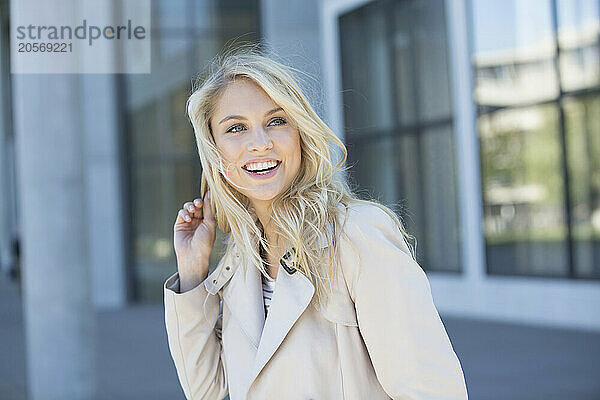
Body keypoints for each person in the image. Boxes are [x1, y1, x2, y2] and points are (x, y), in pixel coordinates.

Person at [164, 45, 468, 400]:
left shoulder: (357, 234)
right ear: (215, 151)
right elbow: (206, 392)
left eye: (276, 121)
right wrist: (192, 271)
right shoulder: (239, 264)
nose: (260, 144)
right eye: (236, 129)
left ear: (300, 133)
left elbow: (431, 390)